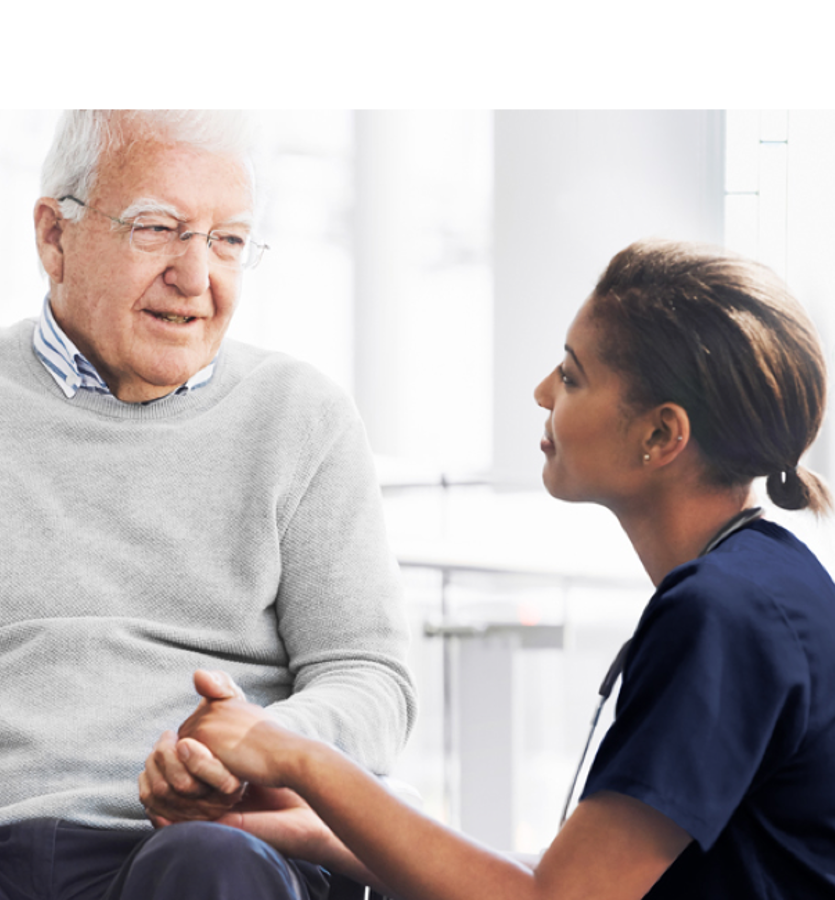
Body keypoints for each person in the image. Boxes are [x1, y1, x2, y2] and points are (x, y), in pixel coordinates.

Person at [0, 108, 416, 900]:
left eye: (228, 239)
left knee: (216, 869)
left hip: (186, 845)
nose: (197, 278)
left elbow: (367, 675)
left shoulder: (302, 418)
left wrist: (261, 748)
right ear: (53, 238)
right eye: (159, 228)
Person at [178, 239, 835, 899]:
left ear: (662, 436)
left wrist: (293, 752)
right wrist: (311, 827)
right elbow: (563, 880)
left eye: (573, 376)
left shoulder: (726, 613)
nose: (542, 391)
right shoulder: (765, 585)